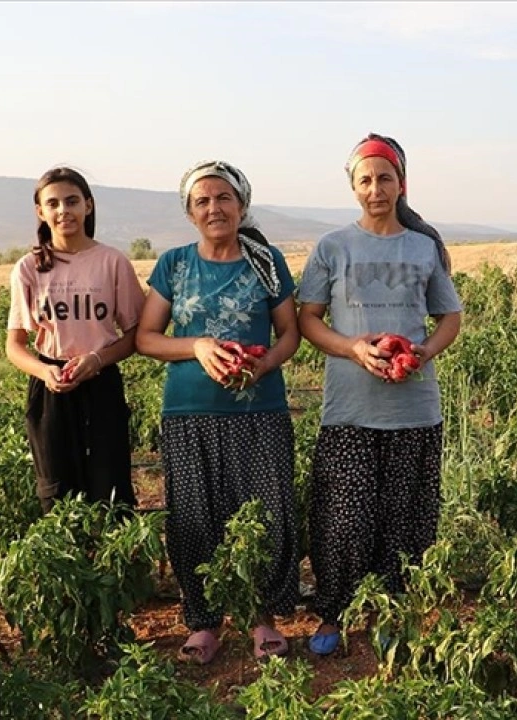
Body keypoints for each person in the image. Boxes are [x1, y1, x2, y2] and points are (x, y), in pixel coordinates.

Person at [296, 133, 463, 656]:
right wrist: (352, 349)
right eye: (365, 180)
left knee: (406, 516)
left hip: (413, 407)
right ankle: (335, 612)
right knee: (343, 516)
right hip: (350, 407)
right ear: (353, 186)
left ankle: (392, 611)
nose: (375, 189)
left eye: (384, 178)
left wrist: (422, 354)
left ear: (401, 183)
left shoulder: (423, 247)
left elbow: (449, 317)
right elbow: (307, 319)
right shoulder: (332, 247)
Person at [134, 160, 301, 663]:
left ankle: (262, 618)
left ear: (242, 206)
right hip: (188, 412)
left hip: (259, 409)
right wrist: (199, 347)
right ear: (190, 212)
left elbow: (289, 333)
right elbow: (146, 338)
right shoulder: (174, 264)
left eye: (223, 198)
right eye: (202, 201)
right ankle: (204, 622)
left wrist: (265, 363)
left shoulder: (266, 261)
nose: (214, 208)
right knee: (194, 516)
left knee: (265, 513)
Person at [6, 167, 144, 513]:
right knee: (56, 493)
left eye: (72, 201)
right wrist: (44, 372)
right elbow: (15, 345)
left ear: (89, 206)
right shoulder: (29, 268)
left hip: (101, 380)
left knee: (111, 492)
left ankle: (114, 567)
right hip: (51, 388)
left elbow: (135, 335)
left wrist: (97, 360)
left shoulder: (112, 262)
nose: (63, 210)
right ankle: (69, 566)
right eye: (52, 203)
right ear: (41, 212)